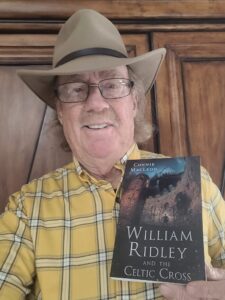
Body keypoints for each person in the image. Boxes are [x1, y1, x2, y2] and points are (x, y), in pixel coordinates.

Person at [0, 8, 224, 300]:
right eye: (75, 88)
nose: (95, 102)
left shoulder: (195, 184)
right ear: (60, 111)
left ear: (134, 101)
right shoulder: (27, 208)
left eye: (112, 84)